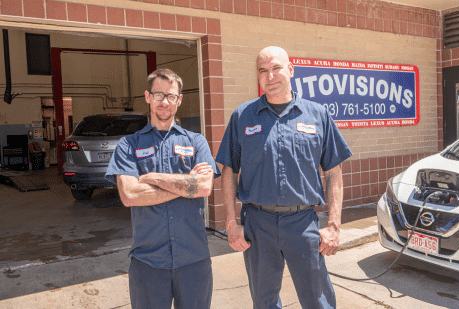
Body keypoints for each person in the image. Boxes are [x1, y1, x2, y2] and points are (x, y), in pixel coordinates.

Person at [216, 46, 353, 308]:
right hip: (257, 223)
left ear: (290, 70)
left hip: (303, 223)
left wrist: (334, 225)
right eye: (263, 71)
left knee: (318, 300)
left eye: (276, 68)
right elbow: (229, 171)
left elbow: (334, 173)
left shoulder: (318, 115)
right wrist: (231, 224)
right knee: (264, 301)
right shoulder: (242, 116)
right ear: (257, 76)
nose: (270, 76)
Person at [105, 68, 220, 309]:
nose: (164, 102)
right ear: (148, 97)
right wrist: (186, 184)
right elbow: (129, 195)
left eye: (170, 96)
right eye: (158, 95)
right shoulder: (128, 145)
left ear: (179, 100)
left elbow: (204, 187)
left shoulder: (196, 141)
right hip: (148, 263)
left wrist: (153, 177)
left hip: (193, 260)